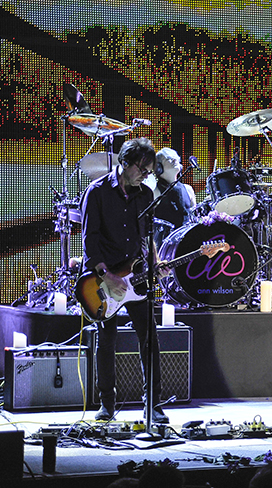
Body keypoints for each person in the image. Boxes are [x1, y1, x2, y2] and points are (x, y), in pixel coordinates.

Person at [81, 137, 170, 423]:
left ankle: (152, 405)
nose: (146, 175)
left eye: (149, 171)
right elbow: (89, 243)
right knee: (107, 340)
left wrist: (156, 264)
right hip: (104, 279)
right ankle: (107, 404)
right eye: (142, 169)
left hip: (138, 276)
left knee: (149, 338)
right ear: (125, 163)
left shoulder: (145, 195)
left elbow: (147, 236)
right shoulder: (96, 193)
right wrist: (107, 276)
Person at [152, 147, 195, 249]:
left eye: (176, 158)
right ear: (158, 167)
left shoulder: (188, 189)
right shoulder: (155, 192)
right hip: (167, 247)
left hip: (189, 241)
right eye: (169, 159)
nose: (175, 160)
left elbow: (194, 216)